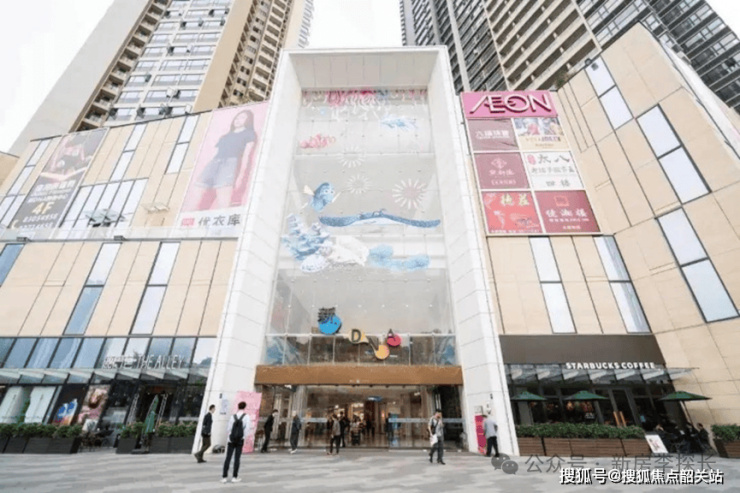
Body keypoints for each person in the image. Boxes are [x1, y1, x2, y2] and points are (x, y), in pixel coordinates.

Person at [195, 110, 258, 211]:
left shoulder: (249, 134)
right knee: (198, 196)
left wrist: (241, 175)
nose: (238, 120)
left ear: (248, 120)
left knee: (223, 201)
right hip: (214, 163)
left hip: (230, 164)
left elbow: (246, 155)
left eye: (242, 117)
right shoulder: (225, 136)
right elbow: (215, 153)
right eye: (237, 117)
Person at [222, 402, 250, 484]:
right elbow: (247, 429)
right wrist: (243, 437)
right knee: (237, 458)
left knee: (228, 458)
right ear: (245, 407)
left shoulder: (233, 416)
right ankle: (234, 477)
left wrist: (229, 437)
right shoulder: (246, 417)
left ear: (238, 407)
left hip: (231, 439)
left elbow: (229, 428)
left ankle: (224, 477)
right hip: (239, 440)